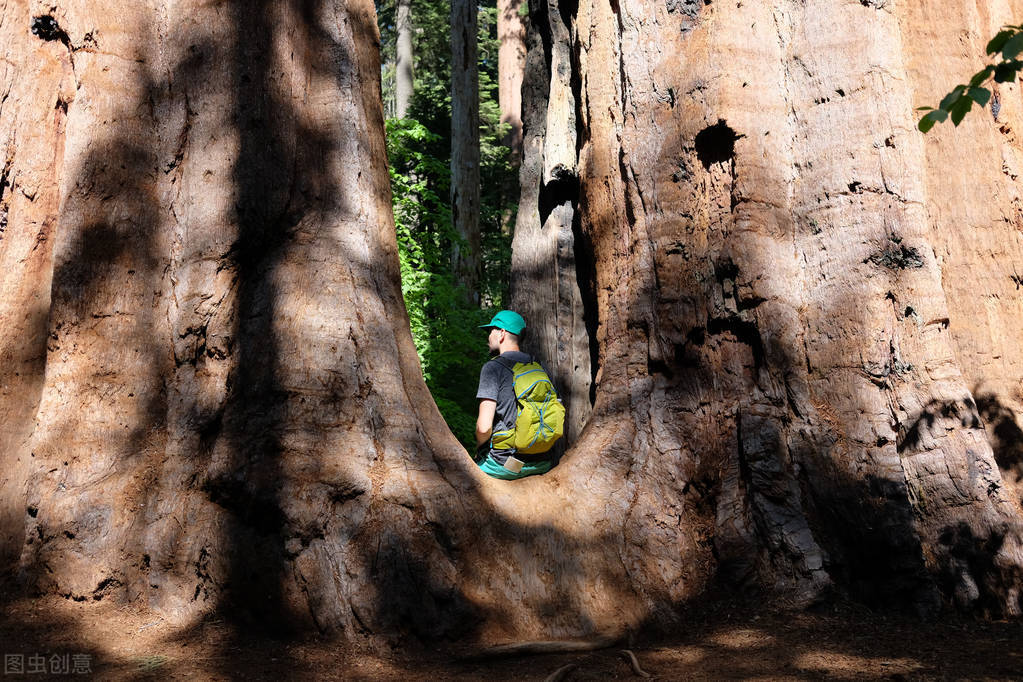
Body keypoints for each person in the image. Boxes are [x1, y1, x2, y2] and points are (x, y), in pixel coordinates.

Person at [474, 310, 557, 480]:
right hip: (542, 461)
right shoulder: (538, 365)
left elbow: (483, 428)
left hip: (506, 465)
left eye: (491, 331)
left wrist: (478, 450)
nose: (488, 337)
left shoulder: (492, 368)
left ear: (502, 333)